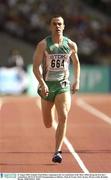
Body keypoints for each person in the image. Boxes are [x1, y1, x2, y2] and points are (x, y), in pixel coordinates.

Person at [33, 15, 80, 163]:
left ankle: (57, 152)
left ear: (64, 26)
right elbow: (35, 67)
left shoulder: (71, 45)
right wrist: (42, 83)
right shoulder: (43, 45)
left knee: (64, 116)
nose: (57, 26)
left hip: (62, 85)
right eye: (54, 24)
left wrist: (76, 80)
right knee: (48, 124)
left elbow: (76, 63)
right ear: (50, 26)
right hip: (47, 86)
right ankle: (51, 106)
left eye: (60, 24)